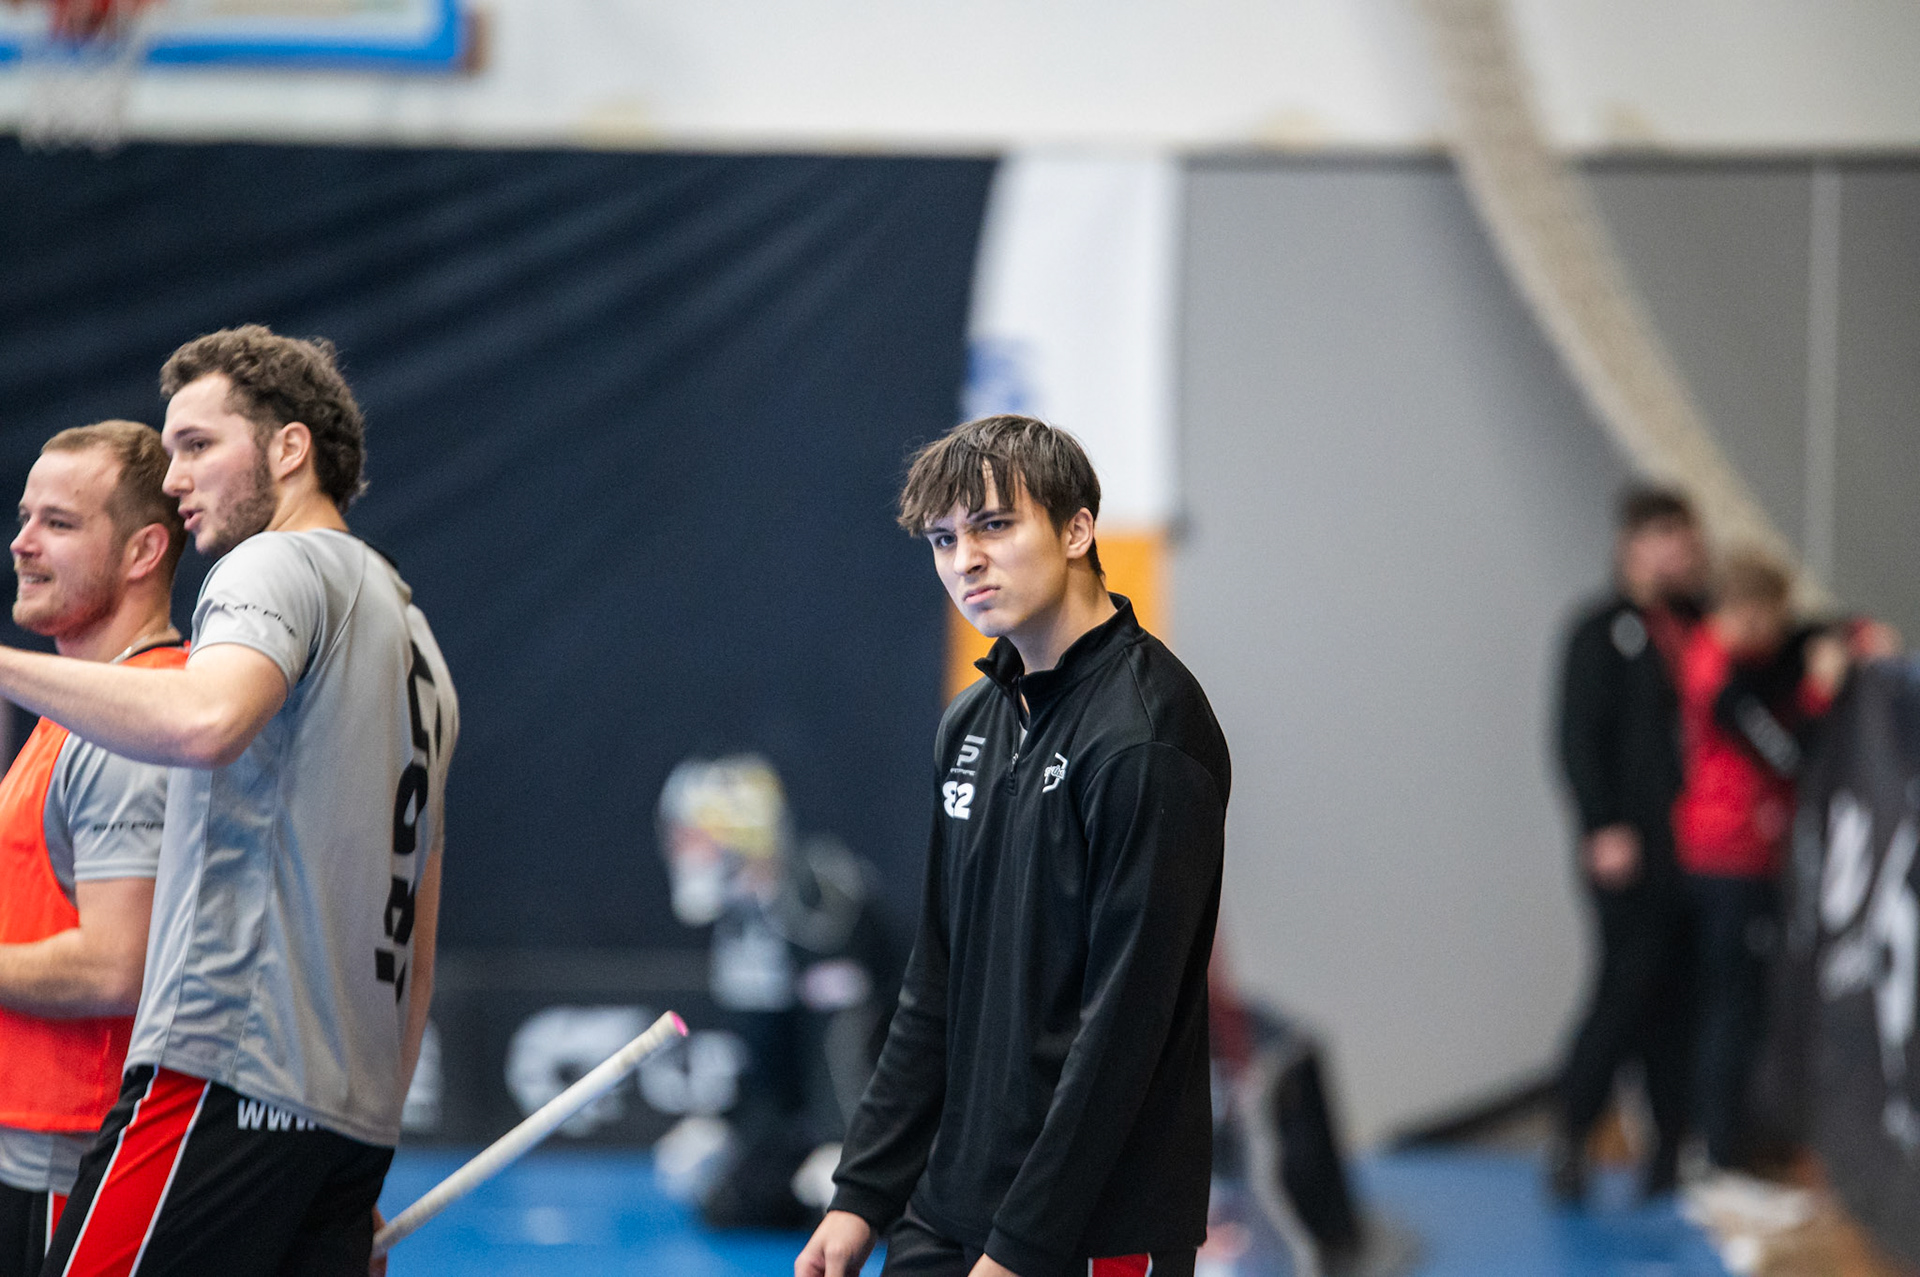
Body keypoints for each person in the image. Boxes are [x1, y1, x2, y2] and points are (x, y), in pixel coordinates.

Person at [0, 326, 458, 1276]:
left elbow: (206, 719)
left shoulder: (275, 565)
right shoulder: (414, 635)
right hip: (347, 1116)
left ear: (289, 449)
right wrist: (367, 1134)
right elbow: (417, 931)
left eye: (199, 445)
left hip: (223, 1070)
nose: (174, 478)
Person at [796, 415, 1231, 1277]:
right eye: (943, 539)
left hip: (1093, 1232)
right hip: (946, 1207)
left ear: (1077, 529)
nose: (966, 560)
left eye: (994, 525)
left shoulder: (1147, 734)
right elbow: (935, 980)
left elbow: (1124, 1032)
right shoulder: (970, 724)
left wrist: (1021, 1249)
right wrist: (862, 1192)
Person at [0, 422, 186, 1277]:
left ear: (144, 550)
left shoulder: (127, 726)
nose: (23, 542)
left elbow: (115, 966)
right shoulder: (81, 708)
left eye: (60, 523)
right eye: (25, 517)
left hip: (69, 1154)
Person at [1673, 550, 1884, 1174]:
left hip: (1752, 854)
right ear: (1737, 612)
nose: (1772, 632)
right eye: (1762, 618)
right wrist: (1819, 692)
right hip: (1725, 861)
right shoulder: (1720, 676)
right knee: (1732, 1004)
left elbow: (1815, 633)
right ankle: (1716, 1149)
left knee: (1751, 1001)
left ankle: (1735, 1139)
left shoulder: (1757, 653)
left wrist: (1860, 634)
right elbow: (1789, 754)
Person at [654, 754, 897, 1230]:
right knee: (732, 1202)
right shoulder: (741, 918)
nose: (678, 850)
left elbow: (850, 1038)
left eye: (691, 836)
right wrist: (725, 1125)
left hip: (895, 1110)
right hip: (808, 1110)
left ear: (737, 834)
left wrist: (849, 1145)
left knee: (870, 1214)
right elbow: (766, 1055)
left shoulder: (820, 900)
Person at [1550, 486, 1707, 1203]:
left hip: (1695, 847)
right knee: (1624, 988)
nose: (1679, 552)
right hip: (1628, 846)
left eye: (1685, 537)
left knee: (1679, 998)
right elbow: (1576, 736)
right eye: (1663, 537)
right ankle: (1572, 1129)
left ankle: (1668, 1145)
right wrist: (1601, 824)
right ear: (1631, 546)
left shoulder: (1701, 624)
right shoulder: (1598, 631)